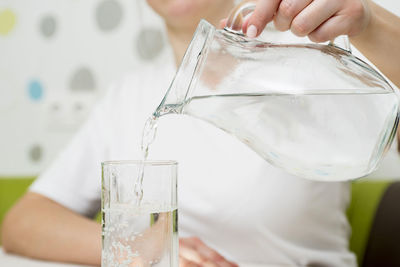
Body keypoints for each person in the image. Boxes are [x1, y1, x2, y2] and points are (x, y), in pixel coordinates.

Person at [2, 0, 399, 266]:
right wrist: (156, 253)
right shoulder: (129, 95)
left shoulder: (312, 63)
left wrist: (371, 21)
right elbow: (21, 223)